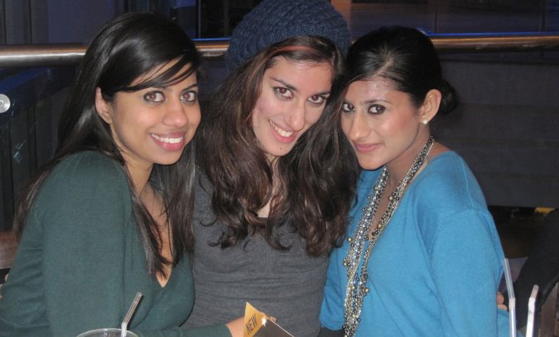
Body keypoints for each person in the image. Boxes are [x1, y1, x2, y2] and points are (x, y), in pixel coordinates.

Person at [0, 12, 239, 337]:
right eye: (153, 96)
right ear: (104, 104)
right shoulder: (88, 181)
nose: (179, 117)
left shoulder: (162, 190)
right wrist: (231, 334)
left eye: (188, 95)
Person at [320, 26, 513, 336]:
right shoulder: (374, 175)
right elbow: (334, 304)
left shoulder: (451, 209)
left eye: (376, 109)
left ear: (427, 106)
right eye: (348, 108)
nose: (355, 130)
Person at [183, 1, 358, 336]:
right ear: (247, 78)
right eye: (283, 91)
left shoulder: (330, 166)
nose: (297, 120)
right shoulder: (192, 163)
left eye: (316, 99)